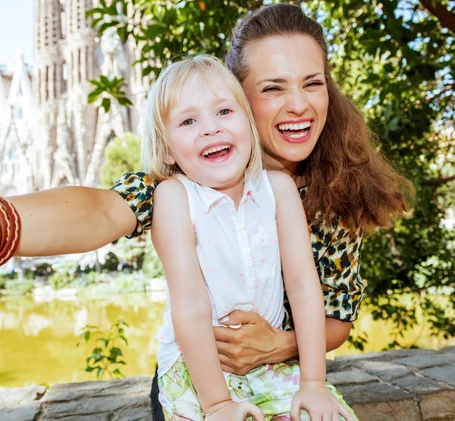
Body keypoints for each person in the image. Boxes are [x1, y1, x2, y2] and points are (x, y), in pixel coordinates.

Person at [0, 2, 412, 418]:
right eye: (273, 88)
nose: (298, 104)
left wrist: (277, 347)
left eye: (312, 83)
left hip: (287, 374)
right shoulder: (183, 184)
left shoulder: (332, 189)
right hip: (202, 383)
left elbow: (336, 315)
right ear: (242, 98)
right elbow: (101, 211)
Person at [144, 53, 358, 420]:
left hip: (273, 364)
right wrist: (218, 405)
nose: (210, 128)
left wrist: (313, 384)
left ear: (248, 123)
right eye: (189, 120)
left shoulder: (278, 189)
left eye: (224, 112)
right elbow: (191, 306)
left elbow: (304, 286)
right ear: (166, 148)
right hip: (200, 369)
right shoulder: (175, 197)